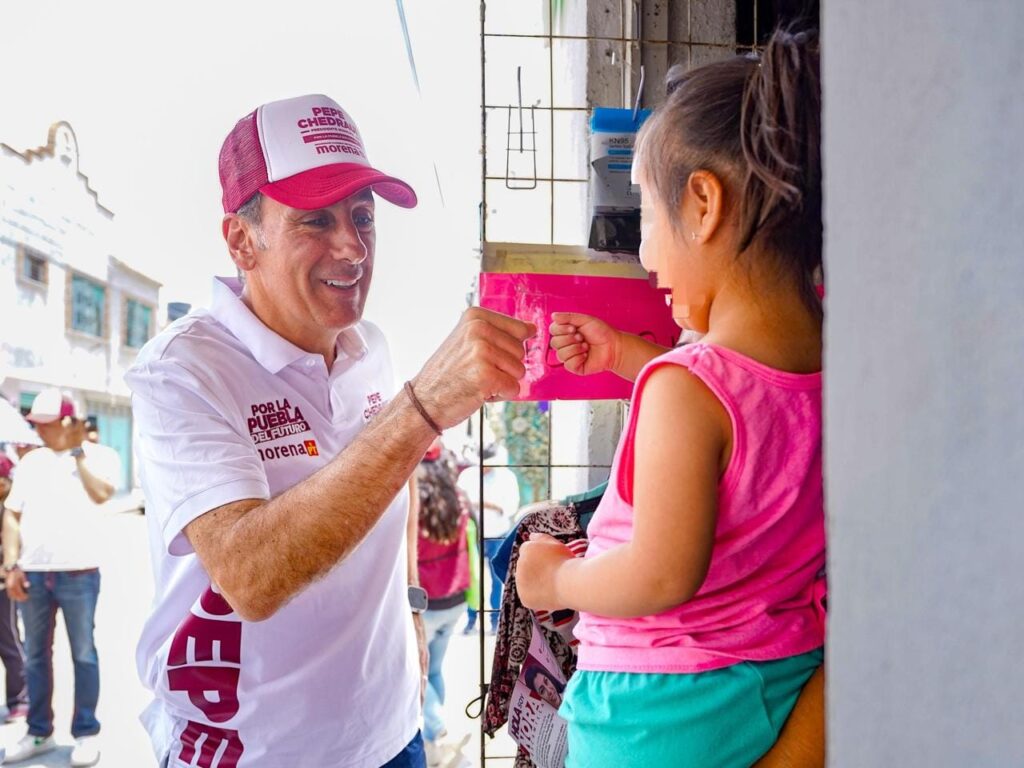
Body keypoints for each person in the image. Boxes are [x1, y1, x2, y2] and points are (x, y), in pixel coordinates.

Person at [126, 93, 534, 768]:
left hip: (393, 733)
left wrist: (410, 603)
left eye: (363, 216)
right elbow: (249, 576)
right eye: (315, 219)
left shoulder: (368, 345)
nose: (352, 246)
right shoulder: (183, 370)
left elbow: (392, 486)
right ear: (241, 239)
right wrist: (423, 407)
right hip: (254, 751)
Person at [516, 28, 826, 768]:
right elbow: (751, 416)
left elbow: (660, 573)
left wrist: (555, 577)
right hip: (775, 686)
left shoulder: (684, 391)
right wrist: (626, 356)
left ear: (704, 204)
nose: (645, 253)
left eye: (647, 219)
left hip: (655, 717)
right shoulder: (836, 359)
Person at [2, 389, 119, 767]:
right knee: (35, 657)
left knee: (83, 653)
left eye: (46, 425)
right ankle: (39, 732)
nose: (40, 431)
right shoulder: (31, 462)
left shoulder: (102, 456)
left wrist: (77, 454)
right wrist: (10, 565)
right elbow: (12, 515)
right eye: (36, 425)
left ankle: (86, 732)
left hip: (80, 573)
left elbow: (101, 495)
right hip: (34, 574)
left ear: (69, 422)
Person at [414, 440, 471, 766]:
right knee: (434, 670)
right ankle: (436, 736)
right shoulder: (459, 500)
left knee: (417, 675)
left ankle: (438, 730)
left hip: (426, 602)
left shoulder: (414, 506)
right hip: (457, 599)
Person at [457, 444, 520, 634]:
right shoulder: (467, 476)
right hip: (473, 534)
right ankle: (471, 620)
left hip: (498, 534)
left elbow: (510, 507)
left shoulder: (507, 477)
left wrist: (486, 504)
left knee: (497, 580)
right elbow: (459, 503)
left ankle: (495, 621)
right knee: (472, 579)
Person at [0, 453, 27, 724]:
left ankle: (19, 699)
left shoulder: (12, 511)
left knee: (9, 643)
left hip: (4, 588)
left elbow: (16, 551)